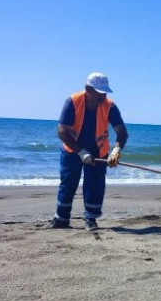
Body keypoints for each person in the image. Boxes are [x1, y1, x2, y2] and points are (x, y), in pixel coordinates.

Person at [46, 72, 129, 231]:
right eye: (99, 93)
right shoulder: (72, 102)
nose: (102, 97)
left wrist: (116, 150)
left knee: (95, 185)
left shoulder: (109, 105)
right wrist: (81, 152)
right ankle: (61, 219)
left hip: (99, 150)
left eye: (104, 93)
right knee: (68, 183)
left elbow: (122, 132)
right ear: (88, 89)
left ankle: (91, 219)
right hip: (72, 149)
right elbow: (62, 132)